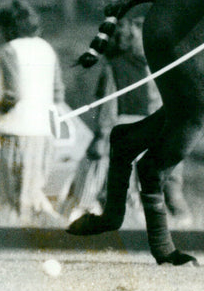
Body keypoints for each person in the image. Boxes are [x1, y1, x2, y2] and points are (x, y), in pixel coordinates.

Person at [61, 15, 192, 227]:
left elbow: (108, 108)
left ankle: (91, 210)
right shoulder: (162, 64)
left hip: (135, 130)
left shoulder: (117, 66)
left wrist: (101, 137)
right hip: (161, 130)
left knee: (109, 173)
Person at [0, 0, 65, 224]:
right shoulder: (46, 48)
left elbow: (13, 93)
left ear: (8, 27)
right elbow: (58, 91)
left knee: (11, 194)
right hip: (44, 131)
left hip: (17, 130)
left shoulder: (10, 50)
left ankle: (15, 237)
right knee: (32, 192)